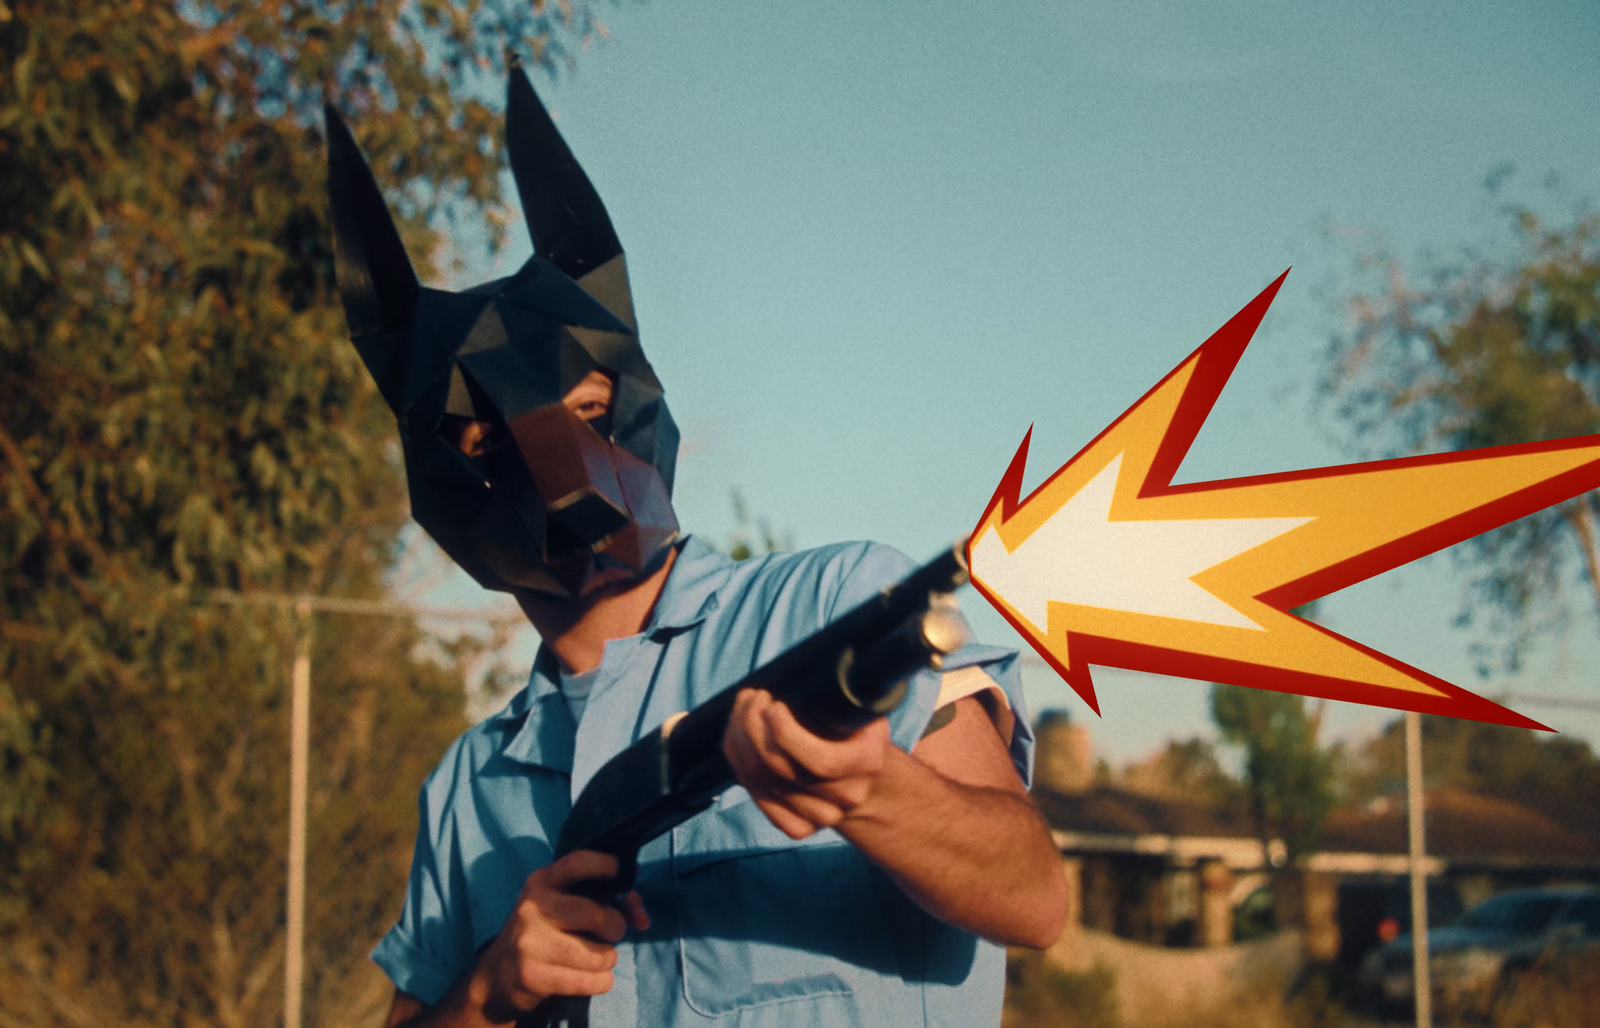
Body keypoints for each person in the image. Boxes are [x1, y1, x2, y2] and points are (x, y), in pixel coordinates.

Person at [326, 67, 1067, 1028]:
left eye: (591, 409)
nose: (560, 468)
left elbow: (1035, 896)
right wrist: (484, 993)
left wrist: (871, 788)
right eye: (481, 442)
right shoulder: (472, 785)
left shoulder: (840, 606)